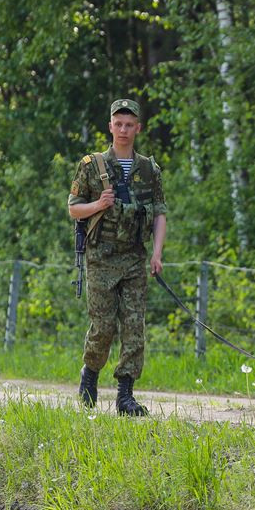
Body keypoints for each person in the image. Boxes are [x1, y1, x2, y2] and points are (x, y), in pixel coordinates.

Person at [67, 98, 167, 416]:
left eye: (129, 124)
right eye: (118, 124)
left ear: (138, 128)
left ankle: (125, 395)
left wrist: (157, 253)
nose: (123, 130)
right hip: (101, 257)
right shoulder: (91, 165)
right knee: (103, 326)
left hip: (135, 258)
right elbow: (73, 208)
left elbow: (160, 213)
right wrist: (98, 204)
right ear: (110, 126)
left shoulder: (149, 170)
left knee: (134, 326)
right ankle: (90, 376)